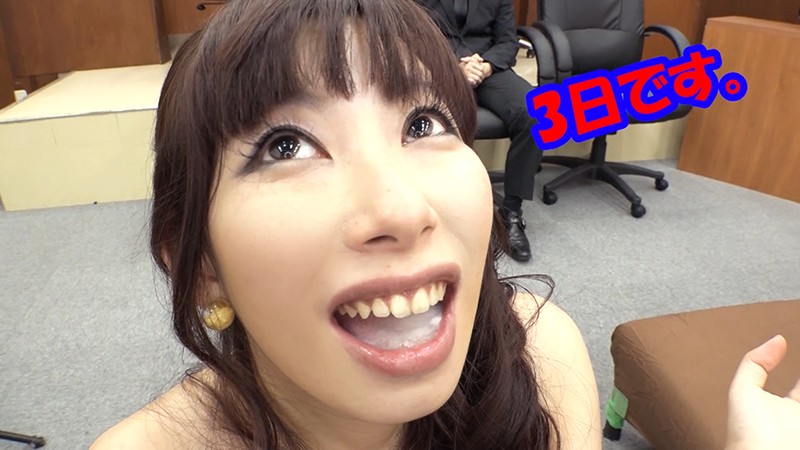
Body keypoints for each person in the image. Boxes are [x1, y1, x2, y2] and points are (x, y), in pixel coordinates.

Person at [90, 1, 799, 449]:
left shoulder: (543, 352)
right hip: (450, 65)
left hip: (481, 72)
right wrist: (449, 71)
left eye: (423, 127)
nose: (404, 210)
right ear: (199, 263)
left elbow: (503, 39)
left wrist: (478, 69)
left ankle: (511, 196)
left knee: (535, 115)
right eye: (286, 146)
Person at [414, 0, 542, 263]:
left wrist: (485, 65)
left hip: (487, 68)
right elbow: (413, 38)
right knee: (433, 121)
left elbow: (508, 41)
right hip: (440, 70)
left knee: (535, 113)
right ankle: (440, 212)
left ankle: (511, 213)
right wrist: (455, 66)